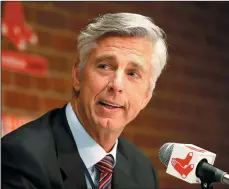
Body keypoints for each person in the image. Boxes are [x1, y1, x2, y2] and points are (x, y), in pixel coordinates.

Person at [2, 12, 168, 189]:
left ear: (146, 96)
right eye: (104, 66)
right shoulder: (22, 156)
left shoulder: (143, 171)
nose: (117, 84)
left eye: (132, 74)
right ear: (77, 76)